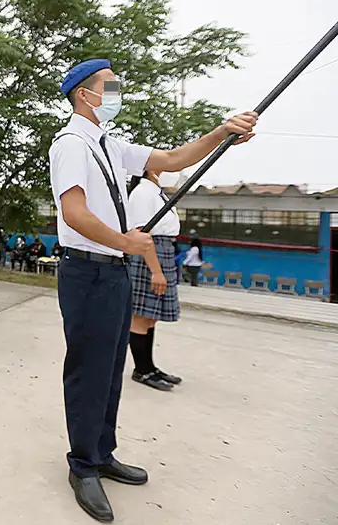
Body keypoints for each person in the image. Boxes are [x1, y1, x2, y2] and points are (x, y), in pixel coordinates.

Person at [50, 58, 256, 522]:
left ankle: (102, 452)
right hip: (87, 271)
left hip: (115, 270)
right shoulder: (70, 144)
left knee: (110, 367)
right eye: (111, 87)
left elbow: (173, 159)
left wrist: (222, 132)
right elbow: (74, 214)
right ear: (85, 94)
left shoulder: (108, 144)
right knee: (87, 369)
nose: (118, 94)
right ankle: (82, 465)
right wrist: (127, 242)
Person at [126, 172, 185, 392]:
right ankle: (141, 370)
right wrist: (156, 271)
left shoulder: (157, 193)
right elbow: (142, 234)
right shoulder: (142, 193)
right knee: (140, 316)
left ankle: (150, 366)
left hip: (163, 250)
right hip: (149, 254)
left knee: (151, 317)